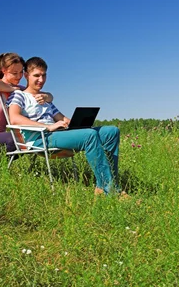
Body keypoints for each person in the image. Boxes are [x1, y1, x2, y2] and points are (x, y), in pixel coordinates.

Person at [7, 56, 121, 195]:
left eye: (44, 75)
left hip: (57, 134)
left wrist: (75, 124)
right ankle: (110, 191)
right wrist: (47, 126)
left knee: (111, 131)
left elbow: (62, 118)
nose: (41, 80)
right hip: (40, 138)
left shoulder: (46, 99)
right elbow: (14, 119)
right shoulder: (19, 95)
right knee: (89, 136)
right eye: (36, 75)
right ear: (26, 75)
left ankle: (107, 185)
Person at [0, 53, 53, 166]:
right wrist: (11, 89)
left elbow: (48, 96)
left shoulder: (20, 90)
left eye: (21, 73)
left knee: (26, 141)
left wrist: (47, 97)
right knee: (19, 139)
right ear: (4, 70)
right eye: (14, 73)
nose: (18, 77)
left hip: (0, 141)